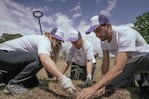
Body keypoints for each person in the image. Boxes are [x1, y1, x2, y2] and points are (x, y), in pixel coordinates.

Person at [77, 14, 149, 99]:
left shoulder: (125, 33)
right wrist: (101, 84)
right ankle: (133, 78)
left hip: (144, 58)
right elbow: (105, 62)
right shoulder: (103, 40)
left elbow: (118, 68)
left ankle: (145, 80)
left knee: (146, 91)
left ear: (108, 26)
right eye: (95, 32)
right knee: (109, 85)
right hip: (130, 64)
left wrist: (93, 88)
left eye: (98, 30)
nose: (97, 35)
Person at [0, 28, 76, 96]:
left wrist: (51, 72)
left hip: (10, 60)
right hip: (4, 54)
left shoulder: (45, 43)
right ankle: (13, 84)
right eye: (56, 38)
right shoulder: (45, 40)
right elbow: (44, 59)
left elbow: (49, 71)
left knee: (34, 83)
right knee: (39, 58)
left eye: (60, 40)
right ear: (51, 35)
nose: (58, 42)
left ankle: (3, 77)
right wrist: (62, 78)